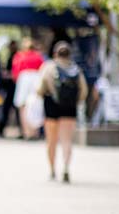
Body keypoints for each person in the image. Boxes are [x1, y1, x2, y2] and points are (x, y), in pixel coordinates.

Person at [38, 40, 87, 183]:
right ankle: (66, 167)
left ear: (55, 53)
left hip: (51, 106)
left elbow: (40, 89)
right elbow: (84, 91)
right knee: (66, 140)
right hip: (69, 108)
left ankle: (52, 170)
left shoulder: (48, 67)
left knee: (51, 141)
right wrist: (75, 102)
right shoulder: (75, 69)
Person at [12, 38, 46, 139]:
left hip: (24, 79)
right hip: (36, 79)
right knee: (35, 105)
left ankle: (26, 132)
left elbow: (15, 71)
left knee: (22, 106)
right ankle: (34, 132)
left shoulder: (19, 56)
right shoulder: (38, 56)